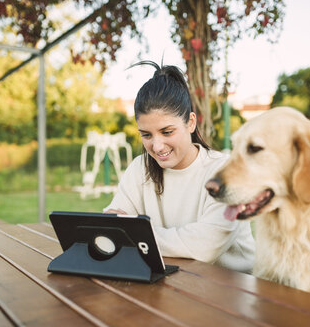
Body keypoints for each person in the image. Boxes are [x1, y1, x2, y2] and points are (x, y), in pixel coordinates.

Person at [104, 60, 255, 272]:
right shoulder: (140, 168)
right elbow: (111, 230)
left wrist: (137, 234)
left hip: (233, 291)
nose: (156, 146)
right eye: (146, 135)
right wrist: (124, 230)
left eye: (167, 132)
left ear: (191, 123)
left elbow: (205, 247)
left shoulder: (223, 171)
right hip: (174, 284)